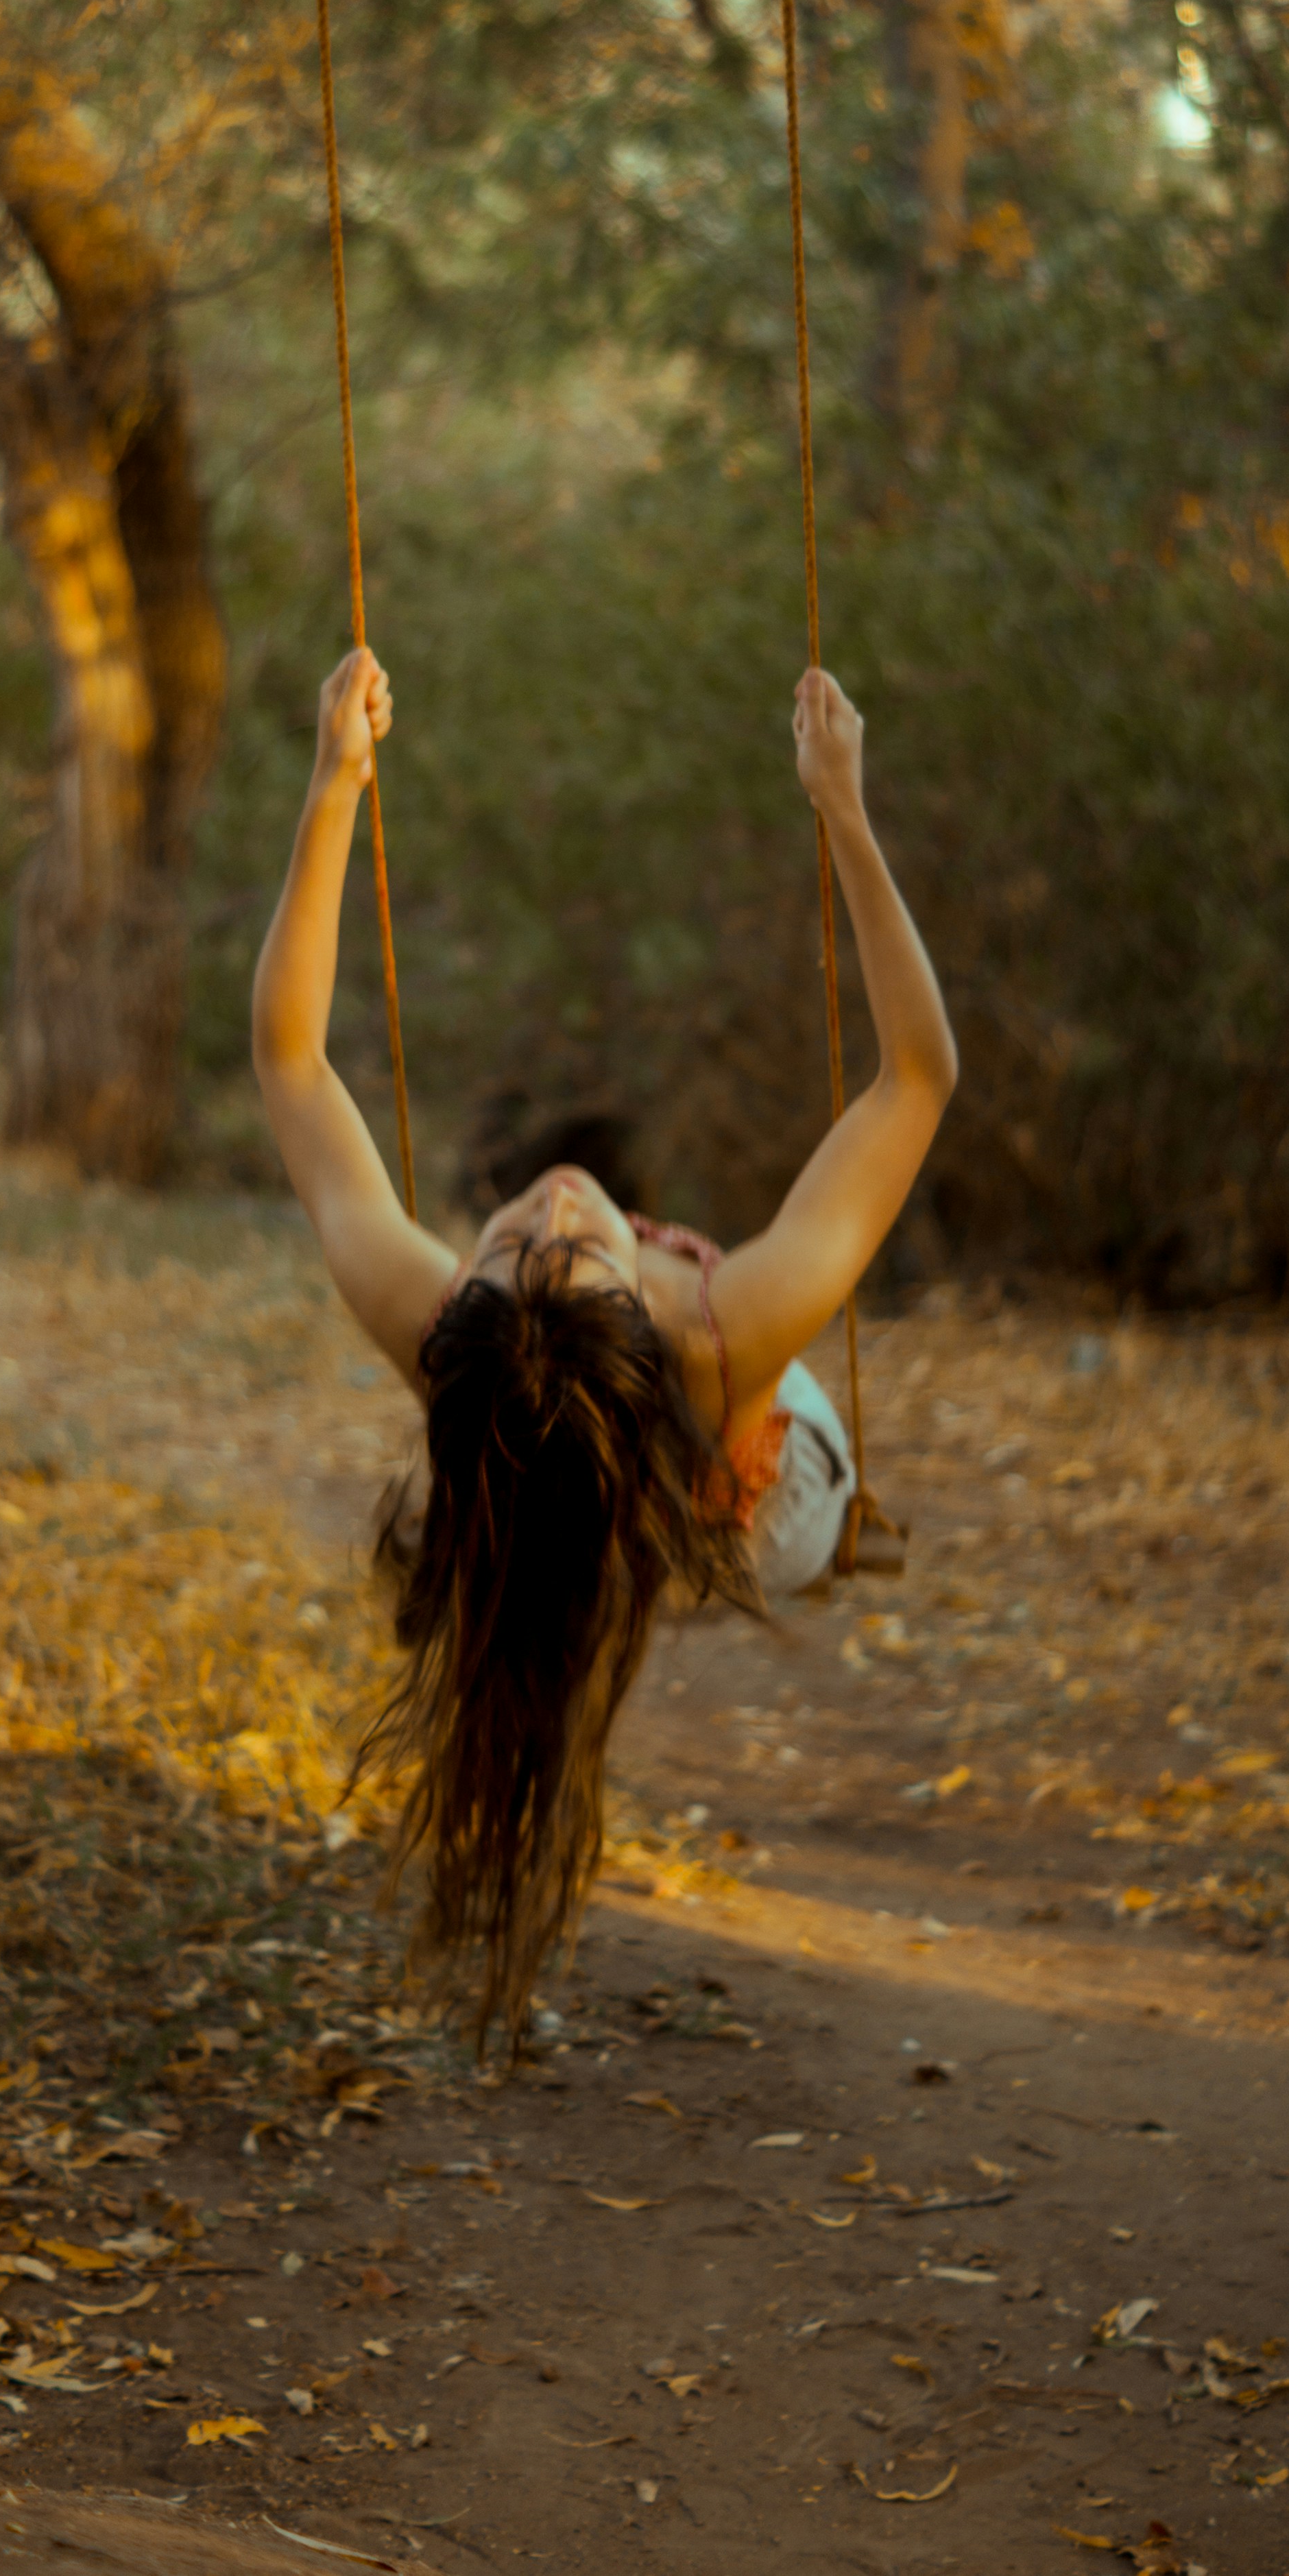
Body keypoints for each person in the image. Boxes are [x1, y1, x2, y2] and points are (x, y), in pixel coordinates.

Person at [252, 647, 958, 2040]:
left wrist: (333, 782)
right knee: (654, 1560)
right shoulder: (719, 1333)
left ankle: (565, 1596)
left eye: (517, 1239)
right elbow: (917, 1080)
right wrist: (844, 813)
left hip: (638, 1478)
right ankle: (631, 1561)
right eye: (564, 1247)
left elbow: (287, 1064)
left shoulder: (452, 1329)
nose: (553, 1206)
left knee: (553, 1587)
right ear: (640, 1315)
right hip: (776, 1499)